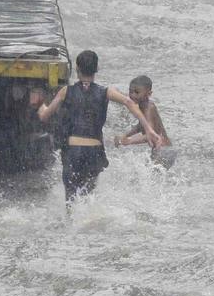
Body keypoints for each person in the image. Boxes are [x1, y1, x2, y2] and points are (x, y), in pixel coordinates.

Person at [35, 50, 161, 203]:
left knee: (71, 200)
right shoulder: (105, 92)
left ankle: (70, 224)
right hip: (94, 153)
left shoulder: (65, 91)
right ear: (96, 69)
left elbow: (44, 116)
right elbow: (129, 102)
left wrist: (40, 104)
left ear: (77, 69)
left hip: (73, 151)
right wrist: (148, 129)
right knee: (88, 200)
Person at [113, 75, 175, 168]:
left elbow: (149, 136)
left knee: (154, 179)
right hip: (163, 150)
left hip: (163, 151)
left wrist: (128, 141)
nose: (133, 95)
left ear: (149, 94)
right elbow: (141, 126)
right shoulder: (143, 105)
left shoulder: (148, 108)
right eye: (130, 91)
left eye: (137, 92)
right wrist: (126, 135)